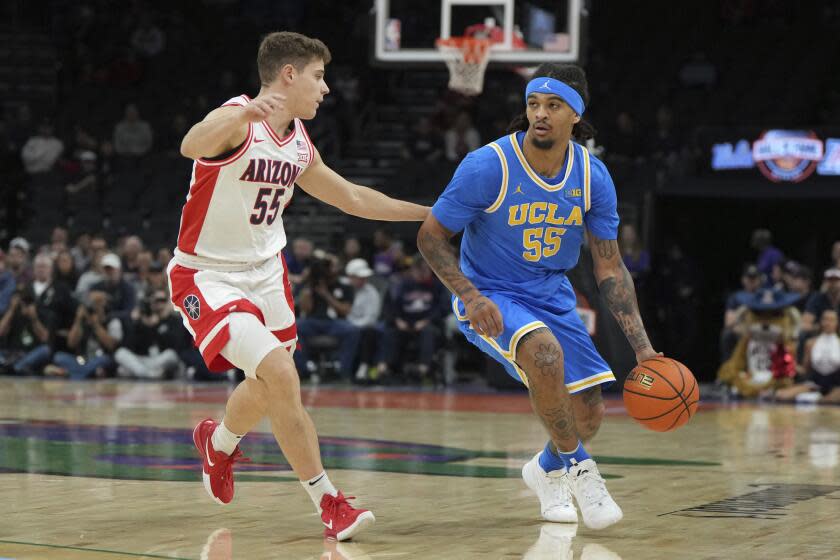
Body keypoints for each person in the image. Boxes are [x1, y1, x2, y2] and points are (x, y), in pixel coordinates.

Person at [170, 31, 428, 541]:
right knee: (282, 374)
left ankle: (218, 443)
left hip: (267, 274)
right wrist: (242, 115)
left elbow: (352, 196)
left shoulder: (299, 143)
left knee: (271, 385)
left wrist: (430, 215)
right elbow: (191, 143)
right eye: (318, 76)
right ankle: (329, 502)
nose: (326, 88)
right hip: (209, 274)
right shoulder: (238, 120)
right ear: (289, 75)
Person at [417, 63, 658, 530]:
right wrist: (469, 295)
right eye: (533, 104)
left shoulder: (593, 176)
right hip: (489, 292)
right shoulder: (489, 165)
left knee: (587, 412)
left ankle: (547, 469)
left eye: (553, 105)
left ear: (576, 117)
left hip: (551, 295)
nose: (540, 114)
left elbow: (609, 267)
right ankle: (582, 471)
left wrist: (642, 347)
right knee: (543, 354)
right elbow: (431, 237)